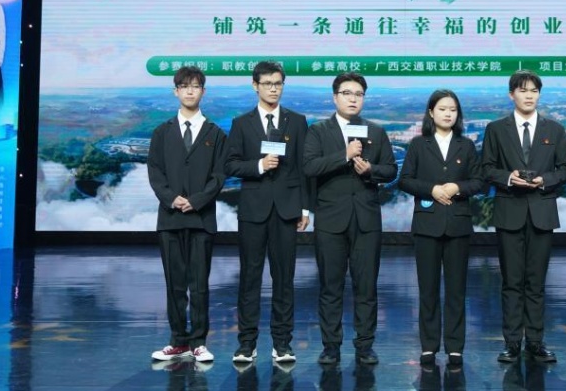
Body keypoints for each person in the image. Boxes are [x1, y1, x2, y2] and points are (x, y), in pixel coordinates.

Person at [303, 72, 398, 366]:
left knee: (366, 287)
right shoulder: (318, 131)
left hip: (366, 221)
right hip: (331, 221)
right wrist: (343, 155)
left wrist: (371, 171)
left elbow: (391, 170)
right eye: (347, 93)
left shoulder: (376, 132)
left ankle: (365, 345)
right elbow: (309, 167)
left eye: (359, 94)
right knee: (330, 287)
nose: (353, 99)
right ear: (335, 98)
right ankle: (331, 346)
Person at [481, 70, 566, 363]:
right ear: (512, 95)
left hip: (541, 213)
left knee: (536, 282)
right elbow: (486, 169)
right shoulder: (496, 129)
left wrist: (544, 180)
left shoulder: (554, 130)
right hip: (510, 212)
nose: (529, 95)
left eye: (534, 90)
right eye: (523, 90)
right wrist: (509, 177)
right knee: (511, 282)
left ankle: (535, 341)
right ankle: (512, 343)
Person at [223, 60, 311, 365]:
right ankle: (246, 344)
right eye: (268, 84)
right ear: (255, 86)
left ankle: (282, 343)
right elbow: (230, 164)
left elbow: (303, 167)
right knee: (250, 278)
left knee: (284, 279)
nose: (273, 89)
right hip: (253, 211)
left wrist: (304, 207)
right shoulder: (241, 123)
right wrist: (259, 166)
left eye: (278, 84)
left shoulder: (297, 121)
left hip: (287, 210)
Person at [148, 65, 228, 363]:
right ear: (176, 91)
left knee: (199, 283)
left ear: (203, 92)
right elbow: (155, 172)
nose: (190, 91)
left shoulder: (215, 133)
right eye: (184, 86)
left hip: (201, 219)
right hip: (170, 219)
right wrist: (172, 199)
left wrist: (196, 201)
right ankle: (178, 340)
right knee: (175, 284)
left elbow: (219, 176)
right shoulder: (162, 132)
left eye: (195, 86)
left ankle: (199, 342)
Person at [398, 90, 484, 368]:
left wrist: (457, 187)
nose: (448, 114)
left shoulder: (466, 146)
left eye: (453, 110)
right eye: (443, 109)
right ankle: (429, 346)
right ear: (431, 112)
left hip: (458, 225)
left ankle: (455, 347)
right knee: (428, 290)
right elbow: (405, 180)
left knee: (457, 290)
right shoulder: (418, 144)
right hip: (427, 225)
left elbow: (479, 181)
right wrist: (432, 189)